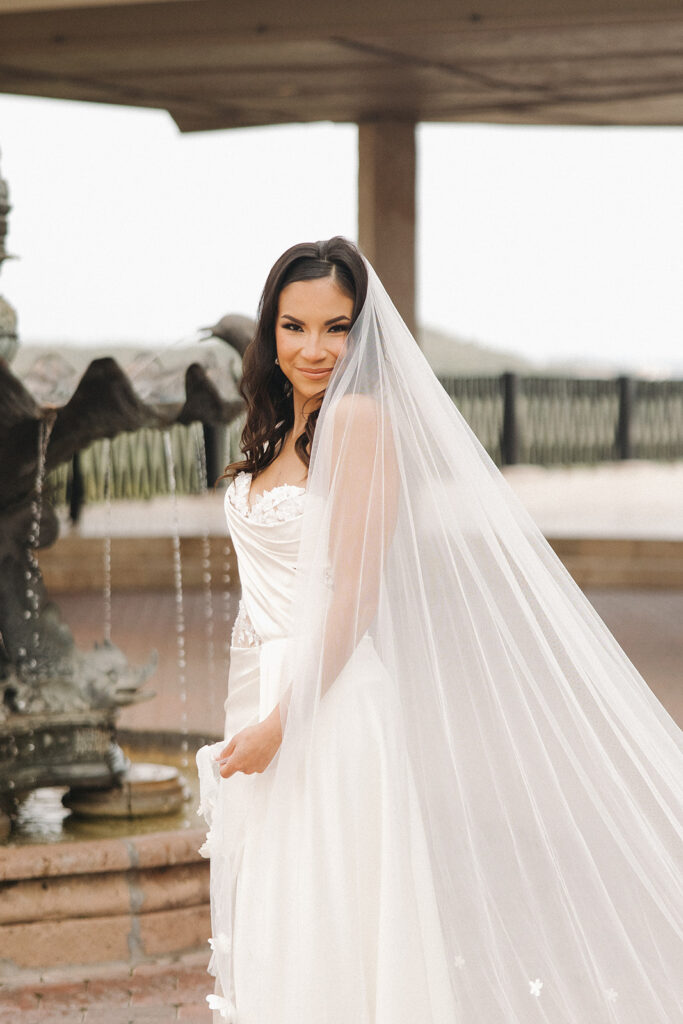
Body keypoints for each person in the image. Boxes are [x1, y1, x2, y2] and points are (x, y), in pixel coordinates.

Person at [196, 237, 682, 1023]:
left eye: (336, 327)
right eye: (294, 327)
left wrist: (280, 727)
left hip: (326, 706)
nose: (313, 349)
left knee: (328, 915)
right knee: (286, 915)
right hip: (274, 694)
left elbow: (354, 598)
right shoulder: (283, 426)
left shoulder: (355, 420)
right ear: (269, 332)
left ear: (363, 334)